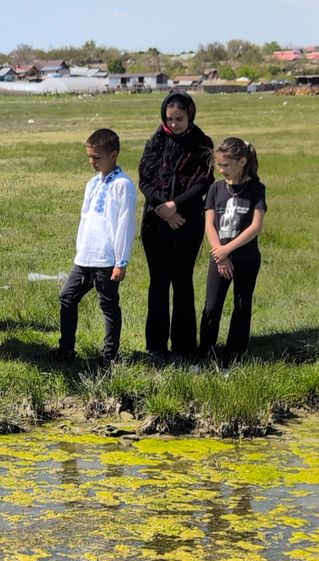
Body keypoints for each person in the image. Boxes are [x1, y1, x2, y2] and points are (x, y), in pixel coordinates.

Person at [138, 92, 215, 362]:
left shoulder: (202, 144)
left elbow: (204, 181)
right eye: (170, 119)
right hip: (155, 223)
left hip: (187, 222)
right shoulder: (156, 140)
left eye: (180, 118)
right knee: (158, 283)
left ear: (190, 115)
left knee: (182, 282)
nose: (174, 124)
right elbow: (144, 178)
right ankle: (156, 346)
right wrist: (163, 207)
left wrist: (176, 207)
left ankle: (183, 347)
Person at [55, 129, 138, 366]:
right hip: (85, 257)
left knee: (108, 305)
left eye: (97, 157)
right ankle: (66, 350)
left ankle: (109, 356)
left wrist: (121, 261)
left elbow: (125, 225)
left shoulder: (123, 186)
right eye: (90, 157)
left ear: (113, 154)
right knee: (67, 297)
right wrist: (80, 249)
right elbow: (85, 218)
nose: (92, 162)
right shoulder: (92, 183)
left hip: (107, 259)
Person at [197, 138, 266, 365]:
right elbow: (209, 224)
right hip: (219, 258)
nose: (221, 169)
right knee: (211, 307)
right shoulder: (216, 188)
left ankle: (233, 355)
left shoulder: (256, 189)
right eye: (219, 165)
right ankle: (203, 352)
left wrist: (228, 250)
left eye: (226, 165)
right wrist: (221, 253)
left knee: (241, 304)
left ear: (242, 161)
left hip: (246, 258)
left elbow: (255, 226)